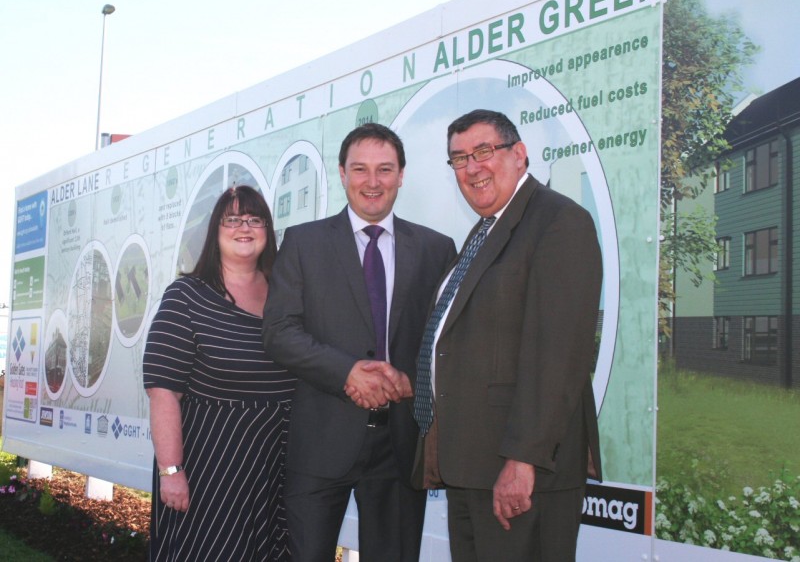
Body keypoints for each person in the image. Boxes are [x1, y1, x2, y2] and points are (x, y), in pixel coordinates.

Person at [412, 109, 603, 561]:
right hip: (472, 467)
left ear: (519, 155)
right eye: (459, 159)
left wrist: (523, 460)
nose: (472, 167)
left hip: (518, 472)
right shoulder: (485, 232)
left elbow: (559, 356)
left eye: (483, 151)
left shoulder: (558, 223)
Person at [262, 123, 456, 562]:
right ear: (342, 173)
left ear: (402, 175)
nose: (373, 182)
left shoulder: (436, 249)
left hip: (401, 445)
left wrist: (410, 381)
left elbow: (449, 342)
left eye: (385, 169)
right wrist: (345, 371)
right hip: (320, 441)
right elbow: (279, 332)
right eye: (361, 169)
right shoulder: (302, 243)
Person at [143, 185, 295, 561]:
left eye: (254, 219)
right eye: (232, 219)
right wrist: (172, 471)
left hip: (277, 468)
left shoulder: (288, 296)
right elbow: (164, 392)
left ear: (267, 229)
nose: (244, 227)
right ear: (215, 230)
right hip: (210, 468)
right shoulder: (186, 296)